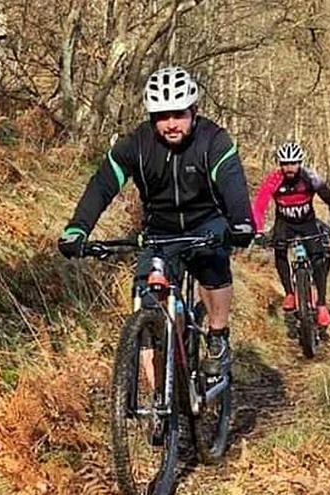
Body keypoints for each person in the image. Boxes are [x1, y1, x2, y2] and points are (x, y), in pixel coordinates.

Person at [58, 66, 254, 375]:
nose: (172, 124)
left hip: (205, 223)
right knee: (147, 301)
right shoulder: (135, 145)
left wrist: (241, 222)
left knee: (213, 264)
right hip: (159, 231)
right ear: (152, 118)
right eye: (163, 116)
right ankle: (160, 411)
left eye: (179, 114)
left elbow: (232, 182)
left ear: (194, 110)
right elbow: (102, 185)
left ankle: (217, 333)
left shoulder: (213, 140)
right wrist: (77, 228)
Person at [251, 141, 330, 328]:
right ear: (280, 164)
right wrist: (258, 230)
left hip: (307, 222)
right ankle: (290, 293)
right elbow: (260, 205)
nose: (289, 168)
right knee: (280, 251)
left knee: (319, 260)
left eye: (293, 163)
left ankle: (322, 305)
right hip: (284, 223)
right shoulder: (274, 179)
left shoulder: (310, 177)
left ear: (300, 163)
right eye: (285, 164)